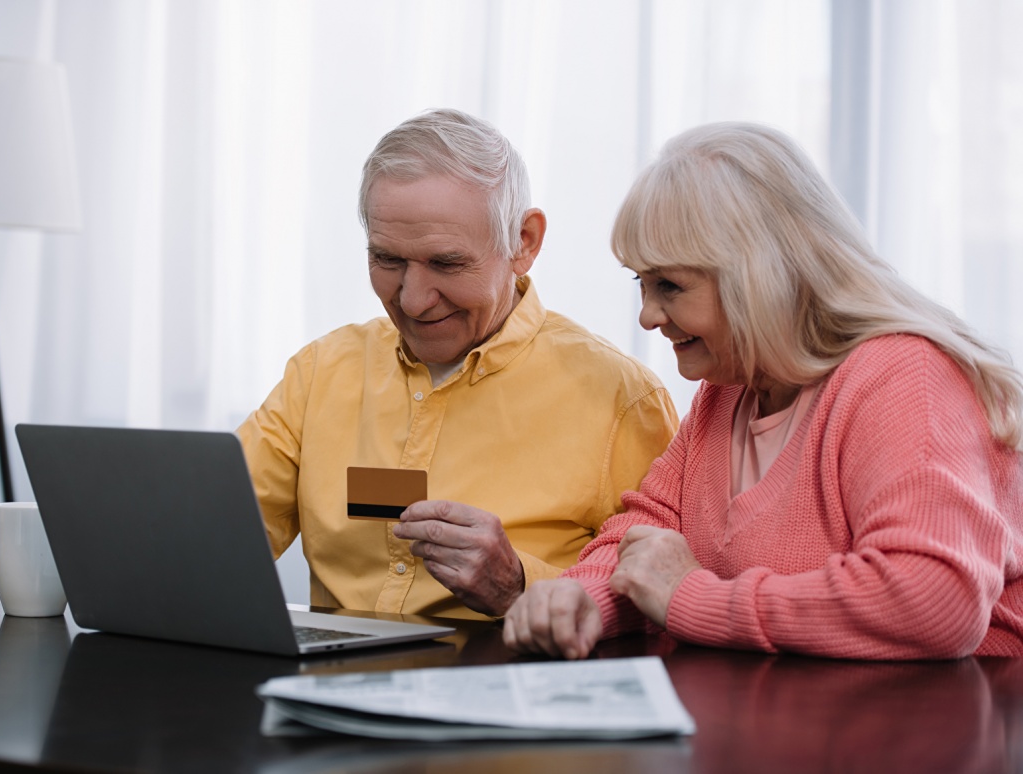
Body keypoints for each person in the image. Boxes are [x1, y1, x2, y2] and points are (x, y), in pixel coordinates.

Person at [504, 121, 1023, 658]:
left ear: (759, 276)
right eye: (642, 283)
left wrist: (693, 597)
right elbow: (646, 532)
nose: (648, 316)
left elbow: (932, 602)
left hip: (934, 723)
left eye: (670, 287)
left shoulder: (907, 376)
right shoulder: (729, 390)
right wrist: (581, 597)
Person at [237, 109, 678, 620]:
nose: (414, 300)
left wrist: (520, 586)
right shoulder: (321, 372)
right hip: (334, 686)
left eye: (446, 263)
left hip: (505, 688)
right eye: (388, 260)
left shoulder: (621, 400)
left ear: (524, 242)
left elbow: (661, 608)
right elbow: (215, 539)